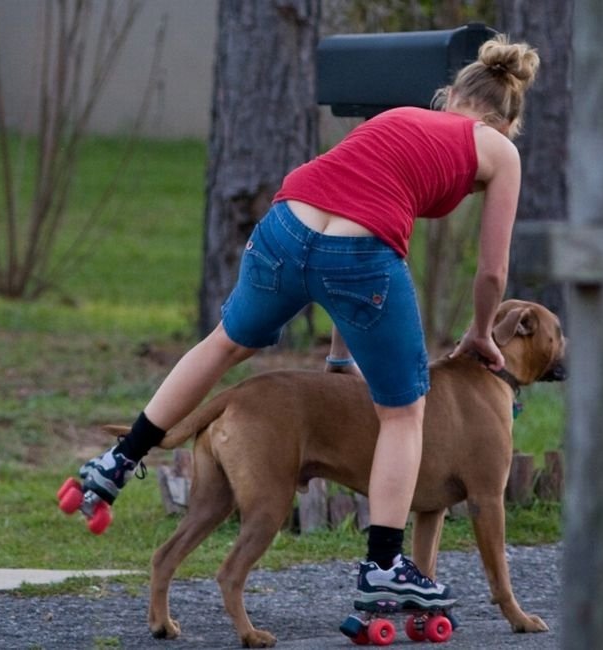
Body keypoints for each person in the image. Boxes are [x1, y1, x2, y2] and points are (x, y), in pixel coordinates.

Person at [79, 34, 539, 608]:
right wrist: (478, 329)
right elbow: (492, 272)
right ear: (502, 123)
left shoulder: (403, 120)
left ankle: (119, 460)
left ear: (451, 99)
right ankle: (382, 566)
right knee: (404, 411)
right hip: (358, 254)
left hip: (284, 227)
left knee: (224, 342)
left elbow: (354, 220)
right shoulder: (498, 150)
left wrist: (341, 361)